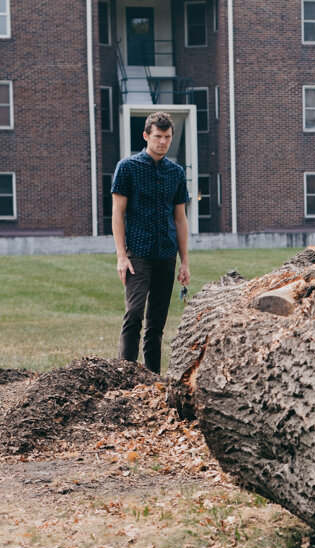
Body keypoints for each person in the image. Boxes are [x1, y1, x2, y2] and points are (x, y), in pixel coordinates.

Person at [110, 111, 190, 374]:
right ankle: (125, 375)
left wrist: (185, 262)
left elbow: (180, 218)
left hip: (166, 254)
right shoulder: (127, 168)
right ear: (146, 136)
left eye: (167, 137)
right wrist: (121, 255)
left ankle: (153, 379)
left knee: (156, 324)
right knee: (134, 315)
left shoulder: (176, 173)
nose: (163, 142)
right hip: (138, 254)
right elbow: (117, 214)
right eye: (158, 137)